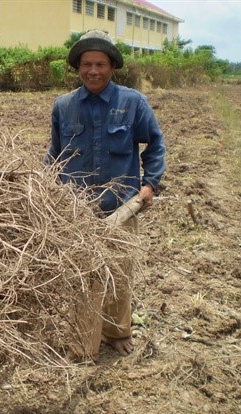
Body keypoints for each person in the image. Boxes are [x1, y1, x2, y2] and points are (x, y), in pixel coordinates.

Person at [46, 30, 166, 357]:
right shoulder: (64, 107)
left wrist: (150, 183)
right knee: (82, 277)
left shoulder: (132, 103)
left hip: (121, 207)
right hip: (77, 212)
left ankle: (116, 333)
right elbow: (54, 156)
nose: (93, 71)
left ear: (112, 66)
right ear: (78, 67)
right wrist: (47, 192)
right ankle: (83, 343)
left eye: (100, 64)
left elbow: (154, 145)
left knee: (119, 273)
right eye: (87, 64)